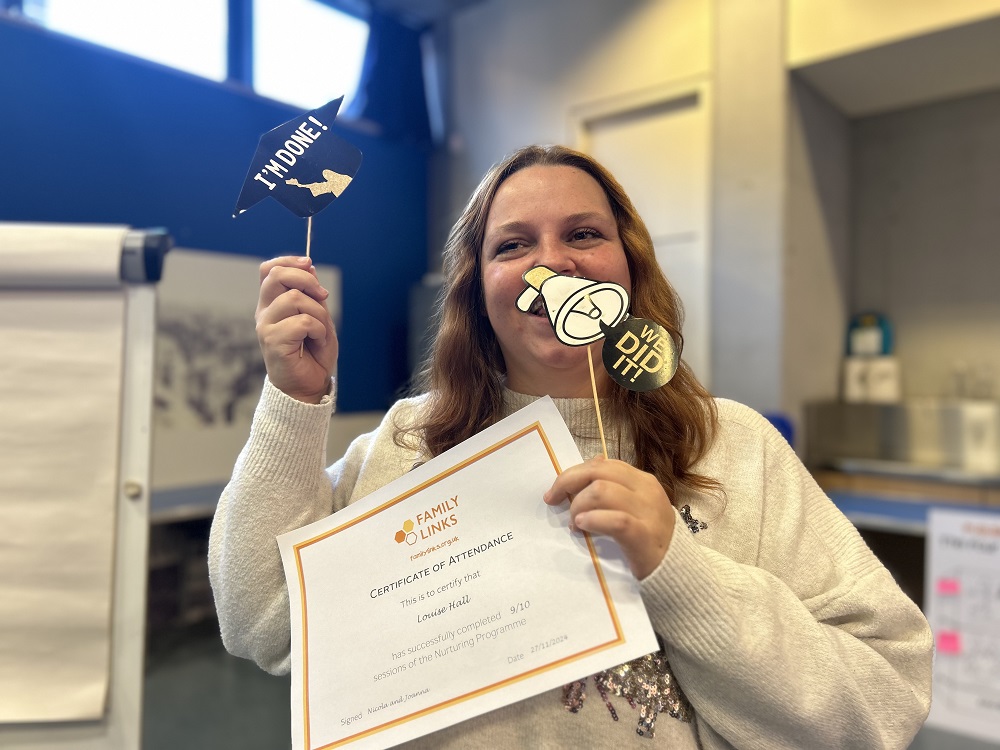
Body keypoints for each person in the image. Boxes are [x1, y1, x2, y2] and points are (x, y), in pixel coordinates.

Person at [209, 145, 932, 748]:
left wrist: (678, 571)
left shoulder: (732, 444)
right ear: (476, 291)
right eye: (513, 245)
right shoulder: (406, 442)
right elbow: (263, 623)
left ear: (631, 264)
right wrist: (294, 403)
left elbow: (885, 698)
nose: (550, 267)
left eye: (583, 234)